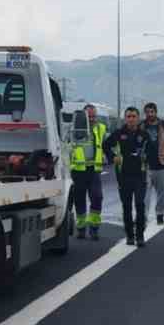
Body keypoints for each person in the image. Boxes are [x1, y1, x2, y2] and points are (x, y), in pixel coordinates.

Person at [104, 106, 153, 246]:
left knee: (140, 204)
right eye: (128, 116)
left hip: (140, 176)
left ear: (138, 118)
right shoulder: (119, 134)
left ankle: (140, 236)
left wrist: (146, 158)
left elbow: (152, 152)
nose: (131, 119)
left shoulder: (144, 135)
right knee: (126, 206)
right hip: (123, 175)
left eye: (133, 116)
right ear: (125, 118)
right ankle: (130, 236)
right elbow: (105, 145)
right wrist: (112, 157)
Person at [69, 103, 108, 240]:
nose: (92, 119)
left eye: (94, 116)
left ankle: (94, 228)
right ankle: (80, 228)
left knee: (97, 197)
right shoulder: (72, 129)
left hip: (94, 170)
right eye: (89, 116)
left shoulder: (101, 128)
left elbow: (106, 145)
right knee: (79, 199)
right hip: (78, 170)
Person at [140, 103, 164, 224]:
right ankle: (143, 216)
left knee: (161, 193)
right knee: (144, 194)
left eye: (152, 111)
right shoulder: (141, 126)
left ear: (156, 112)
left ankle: (160, 214)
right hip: (146, 165)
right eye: (147, 112)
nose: (150, 114)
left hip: (162, 164)